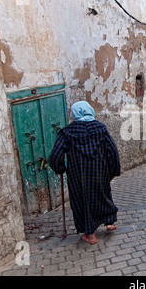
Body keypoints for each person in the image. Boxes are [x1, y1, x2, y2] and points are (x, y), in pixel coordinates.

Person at [49, 101, 121, 244]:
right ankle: (109, 222)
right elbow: (112, 152)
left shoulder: (67, 132)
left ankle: (90, 235)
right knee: (103, 195)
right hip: (100, 172)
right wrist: (113, 171)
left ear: (74, 113)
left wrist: (60, 168)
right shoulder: (101, 129)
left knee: (83, 201)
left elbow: (55, 156)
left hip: (78, 175)